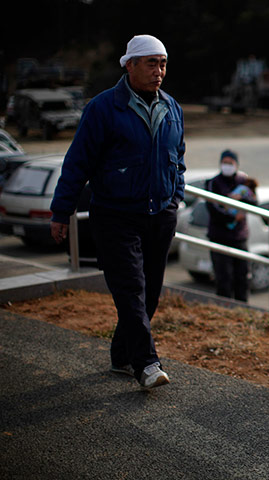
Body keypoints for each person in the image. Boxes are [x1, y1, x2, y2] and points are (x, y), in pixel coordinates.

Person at [49, 34, 185, 390]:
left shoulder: (172, 107)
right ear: (130, 65)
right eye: (152, 63)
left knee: (150, 293)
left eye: (163, 63)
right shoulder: (103, 108)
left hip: (160, 214)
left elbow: (179, 159)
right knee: (130, 290)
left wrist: (176, 198)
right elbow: (77, 163)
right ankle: (147, 364)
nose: (160, 71)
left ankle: (121, 357)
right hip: (114, 214)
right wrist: (61, 212)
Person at [206, 150, 258, 301]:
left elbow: (255, 202)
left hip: (239, 237)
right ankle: (224, 309)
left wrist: (240, 198)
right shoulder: (213, 182)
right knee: (223, 278)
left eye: (230, 163)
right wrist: (232, 216)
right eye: (225, 163)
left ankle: (243, 308)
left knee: (242, 277)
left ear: (236, 164)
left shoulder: (244, 181)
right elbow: (212, 208)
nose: (227, 166)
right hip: (219, 237)